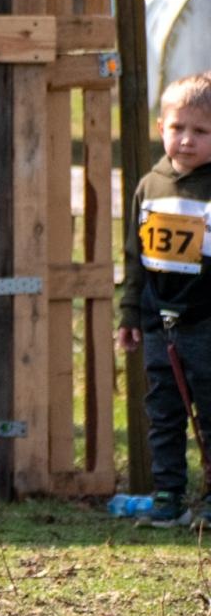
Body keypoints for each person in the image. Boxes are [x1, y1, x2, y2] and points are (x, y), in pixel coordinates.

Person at [118, 71, 211, 530]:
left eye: (201, 131)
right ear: (161, 128)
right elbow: (135, 257)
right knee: (164, 413)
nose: (187, 141)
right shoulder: (149, 187)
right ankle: (168, 495)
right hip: (160, 325)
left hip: (205, 325)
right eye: (178, 129)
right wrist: (129, 314)